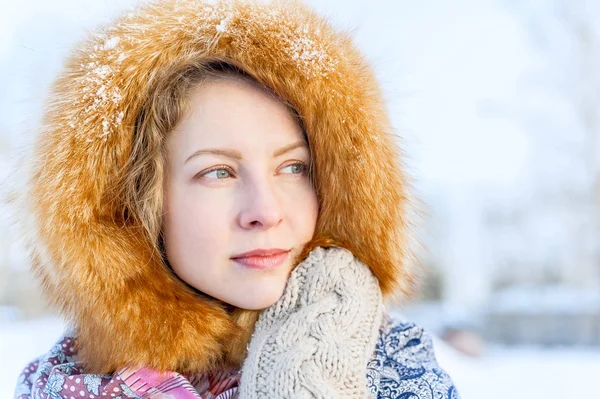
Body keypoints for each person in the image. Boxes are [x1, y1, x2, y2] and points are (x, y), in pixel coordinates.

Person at [13, 0, 460, 398]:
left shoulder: (395, 371)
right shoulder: (59, 386)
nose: (265, 211)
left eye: (293, 168)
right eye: (218, 172)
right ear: (132, 209)